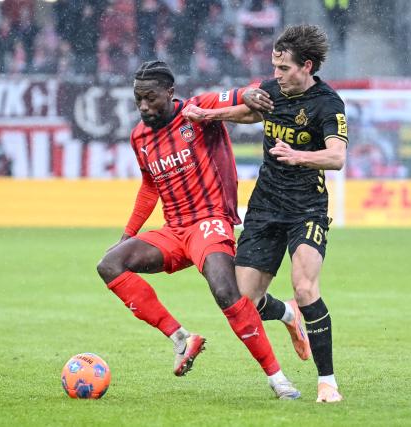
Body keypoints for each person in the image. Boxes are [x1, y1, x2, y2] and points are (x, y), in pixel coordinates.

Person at [96, 60, 300, 400]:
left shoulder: (198, 109)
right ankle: (180, 338)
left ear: (169, 93)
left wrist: (250, 93)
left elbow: (237, 95)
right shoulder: (139, 137)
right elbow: (150, 186)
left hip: (209, 220)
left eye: (150, 98)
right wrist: (128, 235)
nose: (144, 106)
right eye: (138, 100)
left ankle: (278, 379)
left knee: (226, 292)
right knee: (109, 264)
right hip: (173, 229)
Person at [181, 25, 348, 403]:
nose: (276, 74)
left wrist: (299, 156)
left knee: (306, 288)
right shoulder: (273, 90)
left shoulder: (328, 104)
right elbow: (248, 113)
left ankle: (328, 382)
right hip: (265, 207)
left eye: (283, 68)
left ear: (306, 66)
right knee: (245, 300)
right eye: (274, 66)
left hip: (307, 208)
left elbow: (337, 156)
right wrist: (208, 116)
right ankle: (289, 316)